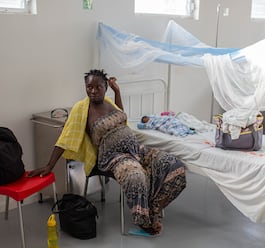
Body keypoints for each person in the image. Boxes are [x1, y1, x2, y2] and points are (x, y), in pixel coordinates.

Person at [29, 69, 186, 236]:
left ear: (105, 87)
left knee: (174, 165)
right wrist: (49, 165)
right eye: (89, 87)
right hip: (113, 157)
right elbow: (65, 137)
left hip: (136, 149)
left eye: (98, 87)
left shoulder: (110, 101)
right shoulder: (82, 109)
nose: (93, 91)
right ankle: (144, 222)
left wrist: (117, 91)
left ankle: (153, 207)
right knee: (135, 176)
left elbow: (121, 115)